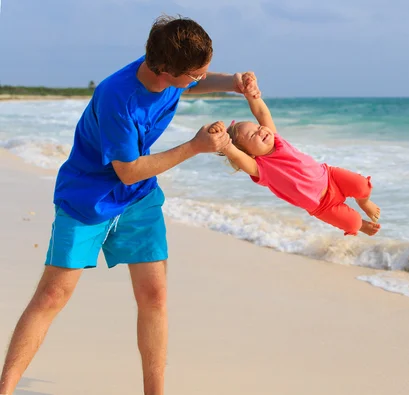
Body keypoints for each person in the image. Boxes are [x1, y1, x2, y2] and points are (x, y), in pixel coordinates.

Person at [0, 15, 260, 395]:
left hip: (139, 201)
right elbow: (128, 171)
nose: (200, 80)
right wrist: (194, 147)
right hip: (88, 197)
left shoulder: (173, 74)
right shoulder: (117, 97)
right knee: (53, 296)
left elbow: (198, 81)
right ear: (166, 71)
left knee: (154, 295)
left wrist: (234, 83)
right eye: (195, 75)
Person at [216, 73, 381, 237]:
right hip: (322, 206)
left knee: (361, 186)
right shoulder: (260, 168)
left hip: (330, 177)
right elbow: (238, 157)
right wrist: (226, 145)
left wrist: (251, 95)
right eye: (253, 136)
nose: (261, 131)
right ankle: (362, 225)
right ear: (249, 154)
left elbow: (262, 114)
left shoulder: (277, 140)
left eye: (258, 128)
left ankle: (364, 202)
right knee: (352, 223)